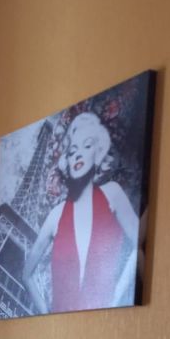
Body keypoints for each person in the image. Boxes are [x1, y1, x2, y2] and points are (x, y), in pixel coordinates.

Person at [22, 111, 140, 315]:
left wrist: (117, 298)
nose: (78, 154)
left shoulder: (112, 194)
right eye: (72, 151)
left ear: (98, 155)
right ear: (67, 163)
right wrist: (45, 311)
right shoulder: (56, 215)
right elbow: (26, 275)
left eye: (87, 146)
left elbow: (140, 245)